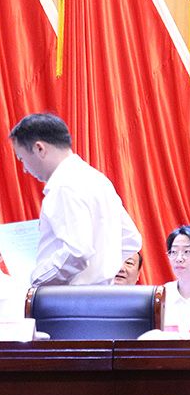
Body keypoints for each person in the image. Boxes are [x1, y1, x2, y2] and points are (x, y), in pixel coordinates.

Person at [9, 112, 141, 286]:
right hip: (103, 293)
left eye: (22, 159)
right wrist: (100, 273)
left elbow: (77, 252)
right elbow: (131, 239)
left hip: (71, 297)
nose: (25, 169)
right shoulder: (97, 179)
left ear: (39, 148)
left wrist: (37, 280)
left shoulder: (63, 186)